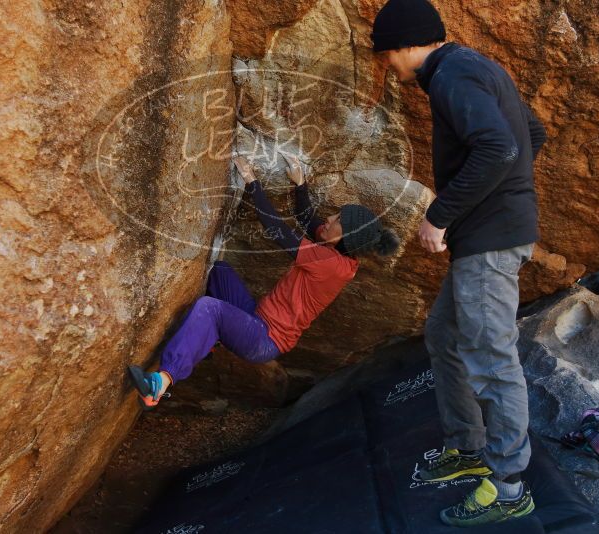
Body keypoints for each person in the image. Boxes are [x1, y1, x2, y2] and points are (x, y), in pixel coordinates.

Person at [371, 0, 547, 527]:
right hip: (491, 233)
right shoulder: (477, 66)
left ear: (405, 45)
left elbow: (498, 149)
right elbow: (530, 133)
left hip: (489, 242)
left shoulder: (450, 77)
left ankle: (510, 484)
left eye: (386, 56)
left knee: (492, 359)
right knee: (444, 333)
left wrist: (441, 215)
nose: (387, 66)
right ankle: (468, 445)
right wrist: (501, 197)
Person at [128, 154, 399, 411]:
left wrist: (251, 181)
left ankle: (160, 383)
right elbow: (308, 220)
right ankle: (206, 341)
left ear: (346, 237)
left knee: (210, 308)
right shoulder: (340, 251)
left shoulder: (333, 265)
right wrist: (300, 185)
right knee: (219, 271)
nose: (329, 219)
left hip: (264, 339)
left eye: (337, 220)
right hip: (257, 319)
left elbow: (278, 231)